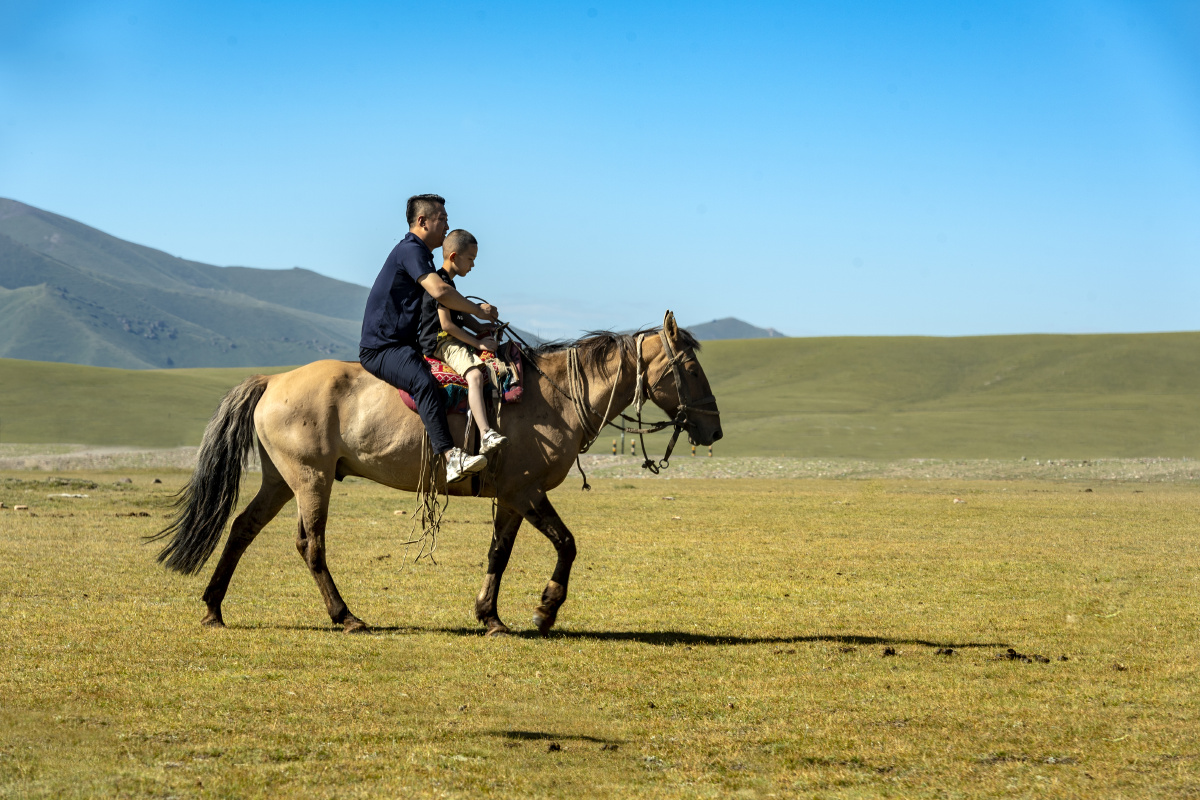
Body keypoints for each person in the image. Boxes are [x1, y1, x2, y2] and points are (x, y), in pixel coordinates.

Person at [359, 194, 498, 482]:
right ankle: (450, 457)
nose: (447, 226)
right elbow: (441, 292)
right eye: (442, 219)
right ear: (422, 221)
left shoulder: (421, 254)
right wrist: (478, 311)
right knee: (423, 382)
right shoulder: (411, 250)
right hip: (382, 347)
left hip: (403, 344)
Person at [418, 229, 508, 455]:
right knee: (475, 375)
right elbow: (447, 325)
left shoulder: (448, 283)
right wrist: (479, 344)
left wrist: (482, 328)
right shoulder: (440, 285)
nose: (473, 265)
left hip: (449, 338)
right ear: (453, 257)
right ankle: (485, 433)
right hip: (442, 342)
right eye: (470, 259)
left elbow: (460, 314)